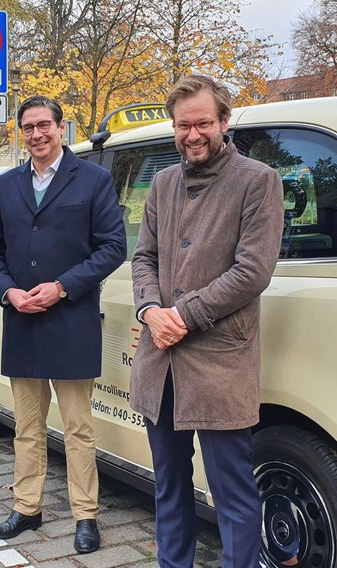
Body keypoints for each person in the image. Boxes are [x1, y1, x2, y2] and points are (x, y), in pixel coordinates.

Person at [130, 75, 284, 567]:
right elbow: (143, 259)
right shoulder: (162, 182)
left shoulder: (258, 180)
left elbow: (252, 271)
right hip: (162, 361)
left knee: (233, 495)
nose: (192, 134)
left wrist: (183, 314)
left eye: (202, 123)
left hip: (219, 365)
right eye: (182, 125)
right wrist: (151, 311)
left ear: (223, 121)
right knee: (169, 487)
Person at [0, 96, 126, 553]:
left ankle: (86, 516)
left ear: (62, 128)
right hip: (22, 320)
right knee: (27, 426)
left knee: (78, 428)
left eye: (45, 125)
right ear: (21, 134)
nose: (37, 135)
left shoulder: (94, 180)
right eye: (28, 128)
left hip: (70, 319)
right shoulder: (6, 185)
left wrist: (62, 287)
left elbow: (112, 247)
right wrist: (8, 291)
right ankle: (27, 508)